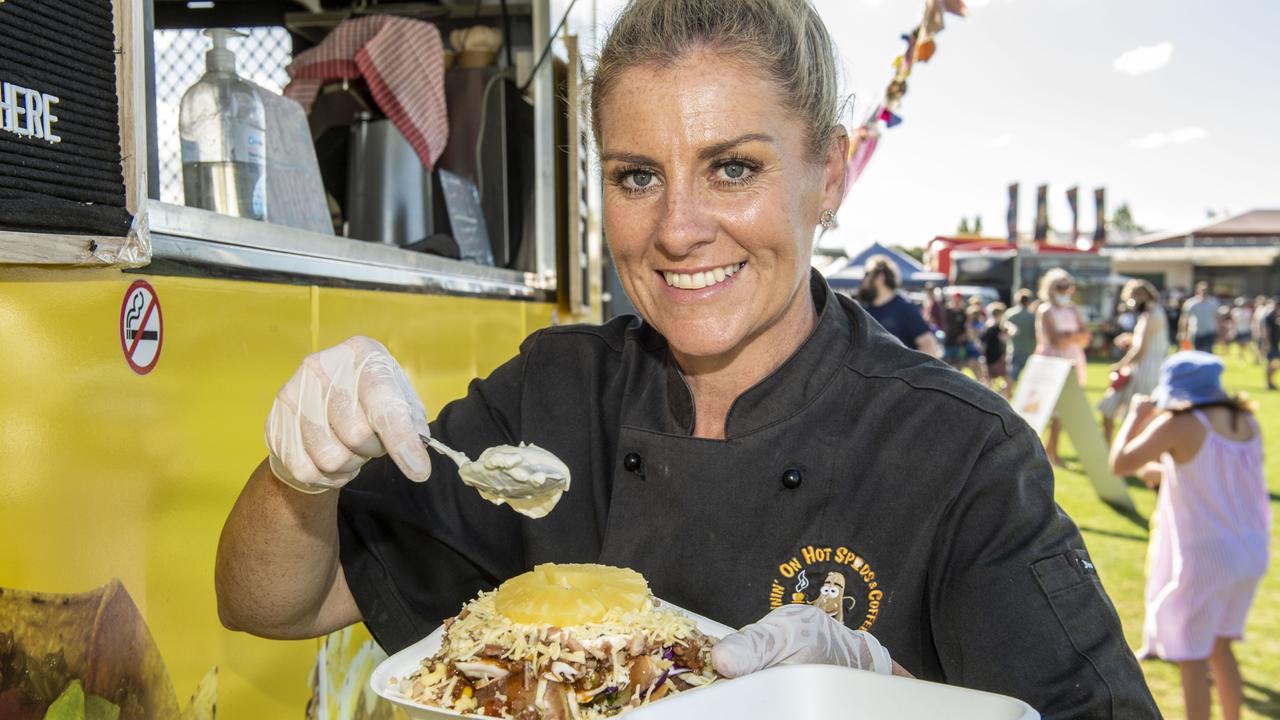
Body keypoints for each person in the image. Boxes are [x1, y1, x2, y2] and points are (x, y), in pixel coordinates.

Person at [214, 1, 1158, 716]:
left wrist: (896, 694)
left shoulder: (959, 454)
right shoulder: (554, 393)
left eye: (733, 167)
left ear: (828, 174)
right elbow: (269, 603)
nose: (677, 230)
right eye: (637, 176)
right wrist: (302, 476)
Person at [1110, 352, 1270, 720]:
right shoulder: (1244, 418)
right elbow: (1209, 474)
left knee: (1191, 657)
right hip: (1251, 547)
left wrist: (1135, 416)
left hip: (1209, 553)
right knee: (1220, 647)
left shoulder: (1181, 423)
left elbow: (1121, 464)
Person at [1097, 280, 1169, 442]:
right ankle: (1109, 450)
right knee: (1111, 407)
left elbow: (1141, 350)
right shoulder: (1152, 313)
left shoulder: (1153, 314)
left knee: (1136, 417)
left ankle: (1125, 452)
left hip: (1145, 370)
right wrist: (1131, 338)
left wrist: (1120, 365)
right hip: (1142, 368)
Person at [1034, 269, 1090, 467]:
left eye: (1068, 286)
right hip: (1052, 362)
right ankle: (1044, 451)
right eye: (1060, 286)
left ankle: (1052, 452)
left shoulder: (1072, 309)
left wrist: (1068, 336)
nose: (1065, 290)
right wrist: (1072, 336)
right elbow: (1055, 340)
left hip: (1072, 361)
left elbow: (1085, 334)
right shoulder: (1046, 310)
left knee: (1063, 412)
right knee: (1045, 411)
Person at [857, 255, 940, 357]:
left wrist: (911, 372)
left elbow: (929, 345)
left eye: (866, 274)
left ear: (880, 277)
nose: (862, 281)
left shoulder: (905, 308)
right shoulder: (864, 311)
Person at [1004, 288, 1037, 380]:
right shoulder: (1032, 316)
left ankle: (1006, 393)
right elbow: (1035, 334)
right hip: (1029, 351)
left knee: (1012, 377)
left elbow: (1003, 331)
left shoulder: (1010, 314)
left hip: (1014, 350)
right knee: (1029, 378)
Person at [1180, 282, 1221, 354]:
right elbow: (1184, 319)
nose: (1204, 291)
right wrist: (1183, 332)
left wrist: (1219, 331)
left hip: (1209, 331)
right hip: (1195, 332)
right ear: (1198, 290)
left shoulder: (1214, 302)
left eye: (1206, 289)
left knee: (1208, 353)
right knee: (1196, 353)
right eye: (1202, 289)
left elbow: (1217, 318)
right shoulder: (1191, 303)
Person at [981, 302, 1011, 398]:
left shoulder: (987, 327)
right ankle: (1003, 396)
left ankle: (994, 397)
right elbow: (1004, 338)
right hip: (997, 357)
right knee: (1007, 380)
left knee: (989, 382)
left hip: (988, 357)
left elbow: (981, 342)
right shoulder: (998, 328)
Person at [1259, 295, 1280, 390]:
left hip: (1275, 343)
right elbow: (1265, 331)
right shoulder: (1270, 317)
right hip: (1270, 343)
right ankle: (1269, 383)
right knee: (1272, 363)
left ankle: (1270, 382)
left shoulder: (1277, 316)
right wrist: (1266, 343)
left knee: (1274, 363)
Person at [1229, 297, 1254, 363]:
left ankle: (1253, 357)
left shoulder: (1248, 311)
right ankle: (1241, 358)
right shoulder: (1235, 311)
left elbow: (1251, 321)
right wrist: (1232, 331)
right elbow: (1234, 322)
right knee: (1240, 346)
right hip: (1239, 330)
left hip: (1247, 330)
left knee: (1247, 344)